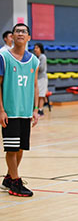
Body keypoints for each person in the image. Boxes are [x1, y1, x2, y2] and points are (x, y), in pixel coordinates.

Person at [0, 23, 39, 197]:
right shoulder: (3, 57)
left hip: (25, 112)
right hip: (10, 110)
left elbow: (36, 86)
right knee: (11, 149)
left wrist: (36, 109)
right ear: (12, 37)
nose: (20, 34)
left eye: (24, 31)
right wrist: (1, 110)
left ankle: (9, 177)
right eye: (17, 31)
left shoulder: (34, 60)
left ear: (29, 37)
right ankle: (15, 182)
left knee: (21, 147)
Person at [33, 43, 48, 116]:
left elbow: (41, 69)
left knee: (41, 94)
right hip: (37, 78)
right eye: (34, 48)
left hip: (42, 78)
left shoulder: (43, 57)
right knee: (37, 94)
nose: (35, 49)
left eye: (37, 48)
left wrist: (34, 67)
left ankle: (40, 110)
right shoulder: (36, 57)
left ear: (40, 49)